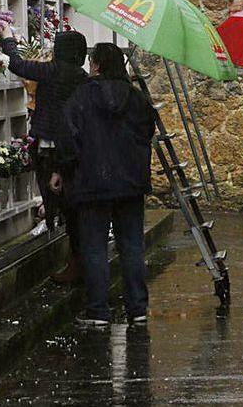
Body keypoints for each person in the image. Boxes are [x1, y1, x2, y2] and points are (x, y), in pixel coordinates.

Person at [64, 43, 156, 327]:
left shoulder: (81, 97)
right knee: (132, 246)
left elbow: (69, 138)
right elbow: (147, 131)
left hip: (92, 182)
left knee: (94, 247)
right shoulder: (137, 98)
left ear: (98, 65)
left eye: (92, 62)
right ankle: (137, 308)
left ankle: (98, 311)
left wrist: (67, 170)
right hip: (130, 182)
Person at [0, 21, 87, 284]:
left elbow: (18, 65)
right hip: (71, 145)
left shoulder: (53, 71)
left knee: (59, 197)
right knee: (70, 205)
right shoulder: (81, 77)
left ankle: (74, 262)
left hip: (51, 144)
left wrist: (7, 38)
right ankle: (75, 256)